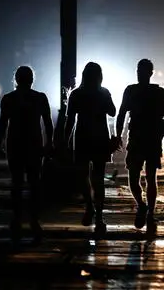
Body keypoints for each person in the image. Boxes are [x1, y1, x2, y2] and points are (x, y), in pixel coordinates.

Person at [0, 66, 54, 243]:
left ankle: (17, 219)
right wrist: (49, 143)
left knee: (17, 183)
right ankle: (34, 220)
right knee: (35, 184)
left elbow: (2, 123)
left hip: (15, 145)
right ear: (31, 80)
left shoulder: (8, 99)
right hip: (34, 145)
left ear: (16, 79)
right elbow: (48, 123)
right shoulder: (40, 98)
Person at [115, 59, 164, 232]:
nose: (140, 73)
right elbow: (122, 113)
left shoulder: (154, 92)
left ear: (149, 73)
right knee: (136, 177)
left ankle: (149, 212)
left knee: (149, 177)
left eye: (142, 71)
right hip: (143, 138)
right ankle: (142, 206)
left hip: (147, 139)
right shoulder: (137, 91)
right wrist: (118, 135)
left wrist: (160, 133)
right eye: (139, 70)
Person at [64, 62, 116, 234]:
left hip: (82, 138)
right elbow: (113, 112)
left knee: (82, 175)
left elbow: (70, 120)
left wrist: (65, 140)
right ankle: (99, 215)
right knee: (98, 177)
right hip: (101, 138)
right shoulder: (103, 92)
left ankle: (89, 206)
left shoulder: (76, 94)